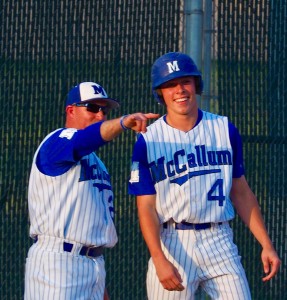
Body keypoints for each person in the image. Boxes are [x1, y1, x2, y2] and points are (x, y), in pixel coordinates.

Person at [128, 52, 281, 299]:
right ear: (160, 93)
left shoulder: (223, 129)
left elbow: (241, 191)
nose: (179, 90)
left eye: (185, 81)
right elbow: (146, 207)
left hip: (219, 238)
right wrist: (158, 258)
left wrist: (266, 244)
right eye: (170, 85)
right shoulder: (148, 139)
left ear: (196, 85)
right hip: (173, 241)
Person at [24, 81, 159, 300]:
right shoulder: (57, 141)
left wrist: (98, 282)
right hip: (57, 264)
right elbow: (85, 139)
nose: (100, 115)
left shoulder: (97, 163)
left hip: (93, 263)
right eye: (92, 108)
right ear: (70, 110)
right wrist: (123, 122)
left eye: (104, 110)